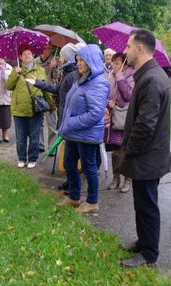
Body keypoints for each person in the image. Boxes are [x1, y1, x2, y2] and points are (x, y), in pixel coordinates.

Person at [118, 29, 171, 267]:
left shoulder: (151, 78)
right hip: (147, 155)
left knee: (147, 205)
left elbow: (145, 124)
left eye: (128, 46)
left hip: (148, 156)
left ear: (140, 48)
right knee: (142, 202)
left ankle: (149, 253)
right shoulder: (147, 75)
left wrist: (129, 151)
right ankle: (144, 241)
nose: (125, 51)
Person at [57, 44, 109, 213]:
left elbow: (95, 115)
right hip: (74, 133)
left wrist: (69, 122)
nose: (78, 63)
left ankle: (92, 202)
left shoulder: (98, 83)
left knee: (89, 167)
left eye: (82, 61)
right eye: (77, 60)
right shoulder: (82, 79)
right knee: (69, 163)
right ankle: (74, 197)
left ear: (91, 61)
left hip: (87, 135)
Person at [29, 42, 85, 192]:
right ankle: (70, 182)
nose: (59, 59)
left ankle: (74, 186)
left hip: (70, 120)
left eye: (61, 57)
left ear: (66, 58)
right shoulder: (68, 71)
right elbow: (57, 89)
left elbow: (73, 100)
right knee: (69, 157)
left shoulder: (73, 74)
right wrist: (37, 83)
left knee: (71, 157)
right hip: (65, 117)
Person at [5, 44, 54, 169]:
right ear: (20, 57)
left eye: (29, 53)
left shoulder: (40, 70)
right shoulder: (15, 70)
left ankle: (32, 158)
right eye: (24, 54)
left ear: (33, 56)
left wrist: (51, 105)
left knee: (34, 136)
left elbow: (45, 89)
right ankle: (21, 158)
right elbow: (8, 86)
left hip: (35, 109)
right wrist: (15, 75)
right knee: (20, 137)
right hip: (19, 109)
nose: (27, 56)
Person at [105, 52, 135, 193]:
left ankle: (127, 180)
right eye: (114, 62)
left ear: (124, 64)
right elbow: (105, 93)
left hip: (124, 117)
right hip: (112, 118)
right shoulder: (110, 75)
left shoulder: (130, 75)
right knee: (115, 151)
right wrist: (108, 102)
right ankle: (115, 177)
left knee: (126, 150)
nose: (114, 65)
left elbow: (129, 96)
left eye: (118, 63)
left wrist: (120, 79)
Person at [34, 43, 61, 152]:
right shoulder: (35, 61)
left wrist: (55, 68)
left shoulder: (55, 60)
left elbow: (57, 78)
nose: (46, 51)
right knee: (39, 121)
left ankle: (52, 148)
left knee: (52, 123)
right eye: (44, 48)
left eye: (49, 49)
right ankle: (40, 145)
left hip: (50, 95)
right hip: (38, 94)